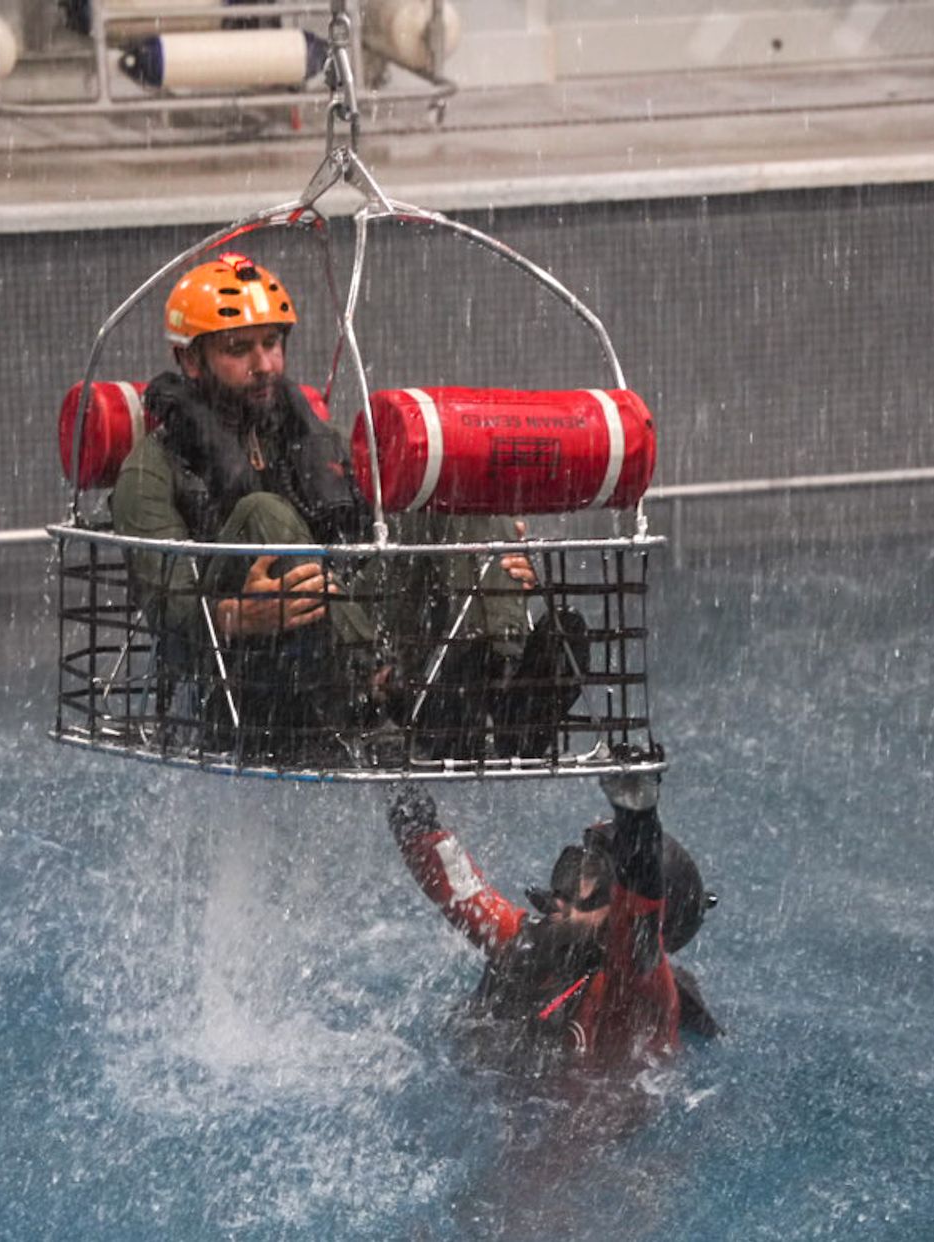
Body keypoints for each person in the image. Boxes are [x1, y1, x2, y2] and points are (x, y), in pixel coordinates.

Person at [109, 251, 578, 761]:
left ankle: (502, 683)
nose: (264, 365)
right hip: (246, 685)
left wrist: (493, 557)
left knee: (440, 494)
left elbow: (373, 543)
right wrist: (241, 616)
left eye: (271, 344)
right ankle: (376, 686)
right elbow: (169, 611)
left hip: (347, 646)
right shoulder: (149, 471)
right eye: (238, 350)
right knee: (266, 512)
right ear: (190, 361)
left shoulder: (315, 442)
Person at [387, 769, 718, 1075]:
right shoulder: (540, 943)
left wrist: (638, 819)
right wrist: (396, 773)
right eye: (575, 867)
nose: (566, 890)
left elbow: (639, 920)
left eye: (593, 880)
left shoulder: (637, 1002)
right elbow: (455, 884)